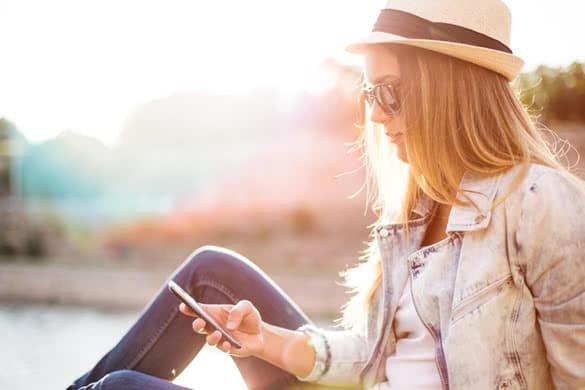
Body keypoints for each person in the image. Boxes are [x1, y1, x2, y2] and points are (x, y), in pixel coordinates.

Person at [67, 0, 585, 389]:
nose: (376, 116)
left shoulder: (544, 206)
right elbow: (375, 354)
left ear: (448, 90)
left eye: (389, 91)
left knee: (120, 389)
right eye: (368, 94)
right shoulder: (421, 207)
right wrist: (264, 339)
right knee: (210, 274)